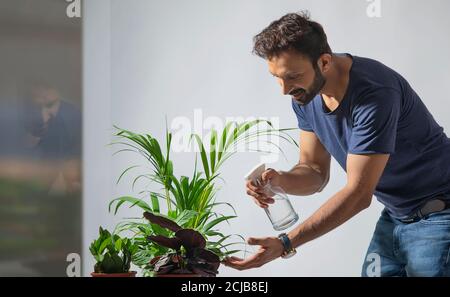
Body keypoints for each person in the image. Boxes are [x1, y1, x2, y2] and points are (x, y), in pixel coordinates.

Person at [224, 12, 450, 277]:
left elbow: (358, 194)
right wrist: (279, 180)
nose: (284, 89)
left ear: (324, 62)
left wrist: (286, 243)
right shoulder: (305, 97)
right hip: (396, 215)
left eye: (292, 76)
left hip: (440, 216)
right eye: (276, 77)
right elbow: (314, 172)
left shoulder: (375, 94)